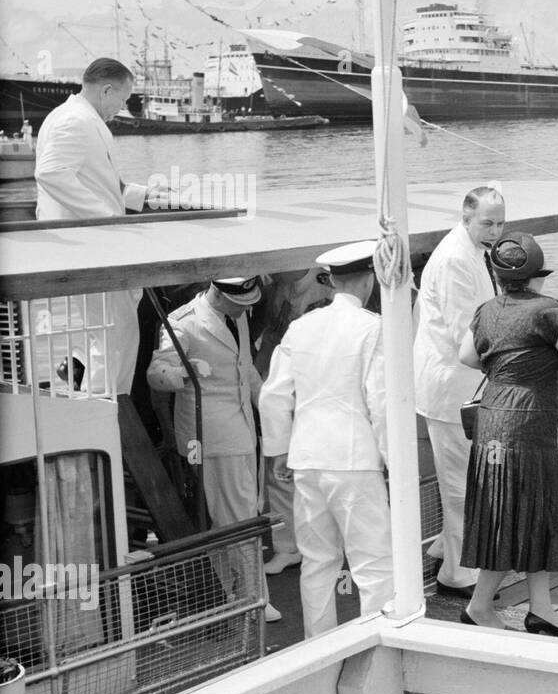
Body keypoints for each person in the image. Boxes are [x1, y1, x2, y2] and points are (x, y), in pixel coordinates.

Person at [457, 233, 558, 635]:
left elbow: (467, 356)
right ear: (536, 277)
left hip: (492, 419)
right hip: (528, 423)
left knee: (509, 510)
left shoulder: (486, 310)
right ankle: (479, 605)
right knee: (528, 510)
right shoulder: (548, 312)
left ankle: (540, 608)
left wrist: (507, 367)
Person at [259, 241, 394, 637]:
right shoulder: (374, 328)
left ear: (331, 280)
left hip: (307, 458)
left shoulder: (300, 327)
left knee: (318, 562)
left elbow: (273, 395)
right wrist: (392, 459)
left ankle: (318, 647)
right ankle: (376, 644)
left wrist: (279, 451)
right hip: (354, 460)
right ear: (369, 279)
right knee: (373, 564)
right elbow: (381, 402)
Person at [146, 274, 280, 622]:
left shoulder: (237, 316)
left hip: (241, 428)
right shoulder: (183, 323)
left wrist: (270, 409)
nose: (245, 310)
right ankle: (254, 599)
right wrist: (186, 373)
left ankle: (234, 594)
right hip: (211, 436)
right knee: (237, 518)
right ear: (219, 294)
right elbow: (156, 371)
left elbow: (245, 369)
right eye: (240, 303)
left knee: (233, 516)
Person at [32, 57, 157, 394]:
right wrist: (109, 219)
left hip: (92, 244)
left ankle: (76, 378)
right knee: (113, 333)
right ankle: (103, 407)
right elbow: (51, 173)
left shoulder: (77, 118)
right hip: (86, 246)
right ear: (106, 90)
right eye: (124, 98)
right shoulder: (74, 121)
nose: (124, 106)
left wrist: (145, 196)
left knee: (108, 327)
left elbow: (99, 182)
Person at [414, 186, 506, 602]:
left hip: (466, 386)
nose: (495, 231)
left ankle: (448, 553)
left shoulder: (472, 252)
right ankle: (457, 574)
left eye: (500, 223)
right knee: (459, 484)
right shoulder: (454, 258)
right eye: (488, 223)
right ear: (466, 217)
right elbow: (463, 333)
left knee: (469, 479)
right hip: (451, 388)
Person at [253, 268, 335, 575]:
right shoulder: (276, 285)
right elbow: (272, 335)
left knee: (320, 470)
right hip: (281, 376)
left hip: (316, 385)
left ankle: (327, 543)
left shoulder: (323, 283)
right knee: (279, 473)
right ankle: (287, 546)